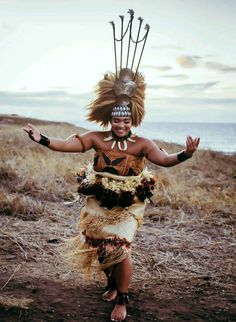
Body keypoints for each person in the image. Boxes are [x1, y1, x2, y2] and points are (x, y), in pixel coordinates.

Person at [23, 10, 200, 322]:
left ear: (132, 120)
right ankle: (111, 282)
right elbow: (68, 145)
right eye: (117, 120)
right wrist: (42, 139)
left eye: (126, 120)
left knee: (120, 247)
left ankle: (123, 298)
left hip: (129, 204)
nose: (121, 124)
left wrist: (185, 154)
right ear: (111, 119)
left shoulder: (143, 144)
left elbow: (165, 161)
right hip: (98, 200)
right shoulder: (96, 138)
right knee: (101, 248)